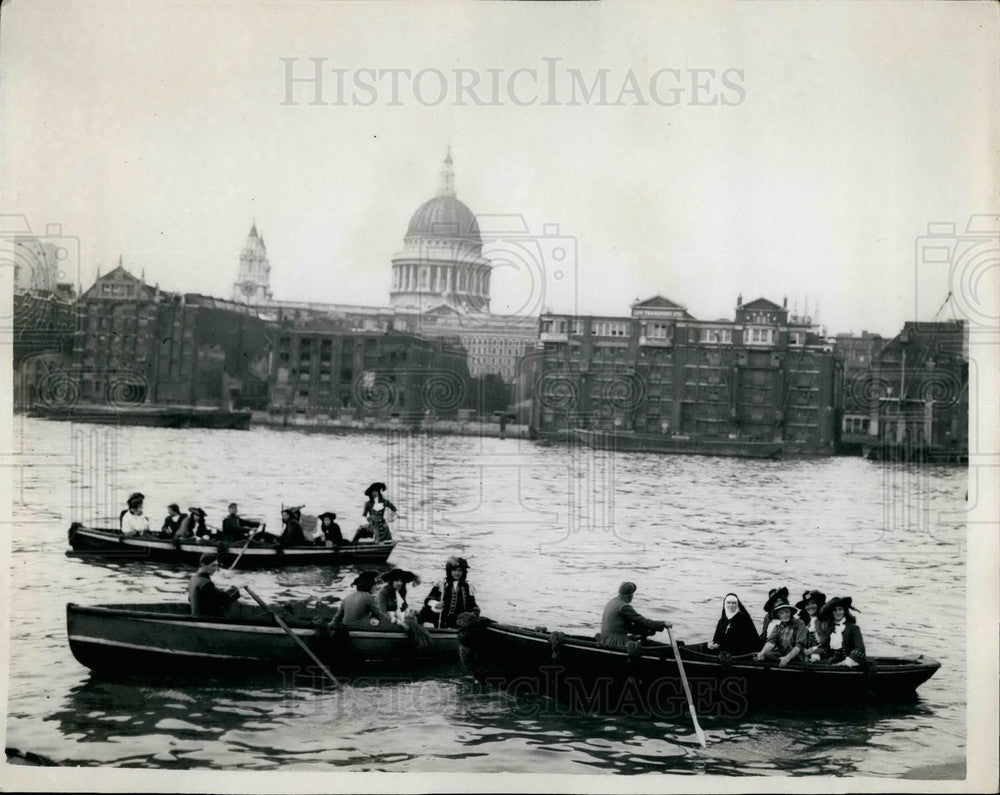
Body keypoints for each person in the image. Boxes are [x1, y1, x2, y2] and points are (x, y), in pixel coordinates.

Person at [598, 581, 671, 648]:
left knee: (639, 638)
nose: (633, 597)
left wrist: (645, 632)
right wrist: (663, 624)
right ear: (628, 596)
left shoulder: (611, 602)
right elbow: (643, 621)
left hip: (605, 639)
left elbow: (625, 627)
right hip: (617, 642)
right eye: (633, 594)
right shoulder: (624, 606)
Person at [418, 556, 479, 629]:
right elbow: (429, 599)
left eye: (460, 570)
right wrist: (436, 604)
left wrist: (473, 613)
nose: (457, 573)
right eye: (454, 570)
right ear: (449, 571)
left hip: (458, 621)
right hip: (440, 618)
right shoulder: (442, 583)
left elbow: (472, 604)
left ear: (463, 572)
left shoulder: (467, 586)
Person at [755, 594, 807, 667]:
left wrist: (787, 658)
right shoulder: (778, 626)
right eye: (781, 613)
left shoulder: (799, 624)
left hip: (796, 657)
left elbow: (799, 645)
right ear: (778, 615)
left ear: (790, 612)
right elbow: (771, 642)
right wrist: (762, 653)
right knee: (764, 655)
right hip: (781, 654)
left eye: (787, 612)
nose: (784, 615)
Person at [818, 596, 866, 667]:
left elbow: (860, 648)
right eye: (834, 610)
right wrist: (816, 655)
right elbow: (825, 647)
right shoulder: (830, 628)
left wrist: (846, 662)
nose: (837, 612)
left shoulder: (853, 628)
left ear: (844, 611)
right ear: (831, 612)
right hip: (832, 662)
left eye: (840, 609)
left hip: (849, 664)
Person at [188, 552, 240, 616]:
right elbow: (222, 600)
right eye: (213, 565)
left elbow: (191, 599)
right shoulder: (206, 583)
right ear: (203, 565)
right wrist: (235, 588)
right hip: (208, 620)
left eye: (217, 565)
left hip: (197, 616)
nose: (216, 569)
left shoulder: (192, 579)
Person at [796, 589, 829, 661]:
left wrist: (811, 651)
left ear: (819, 604)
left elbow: (828, 645)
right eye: (807, 604)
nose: (810, 606)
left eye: (813, 603)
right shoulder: (804, 621)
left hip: (825, 655)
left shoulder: (826, 621)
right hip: (807, 653)